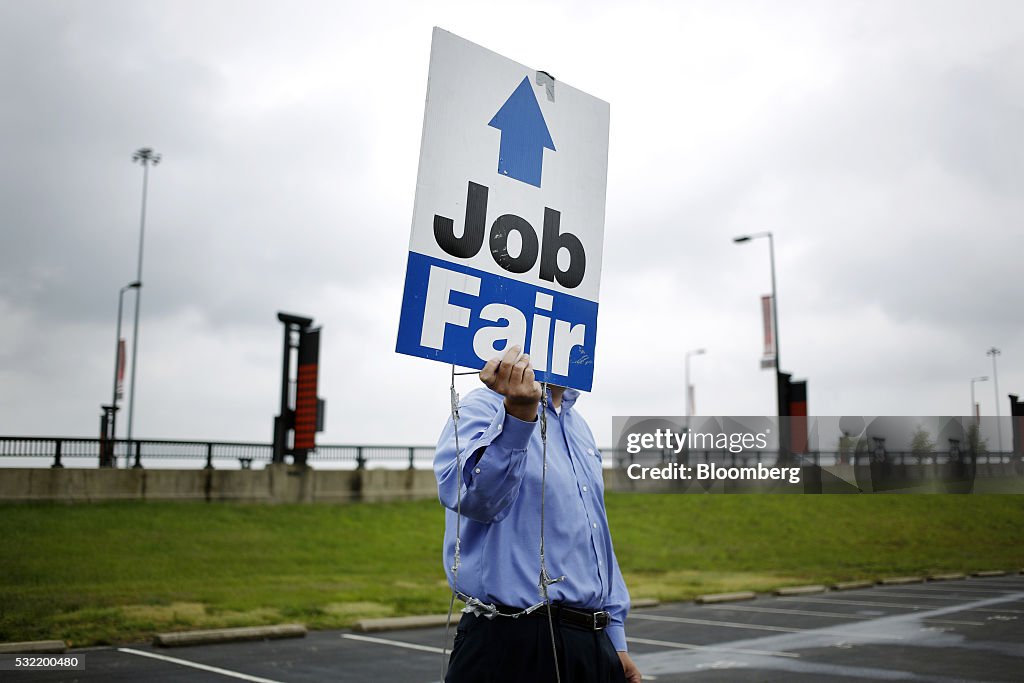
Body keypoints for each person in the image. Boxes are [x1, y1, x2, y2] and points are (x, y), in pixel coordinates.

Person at [434, 345, 642, 683]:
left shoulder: (578, 426)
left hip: (592, 642)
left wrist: (614, 637)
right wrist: (518, 413)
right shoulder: (481, 406)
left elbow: (595, 534)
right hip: (511, 641)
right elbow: (474, 500)